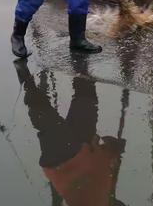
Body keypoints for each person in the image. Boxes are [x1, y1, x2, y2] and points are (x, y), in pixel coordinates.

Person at [13, 59, 127, 205]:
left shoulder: (101, 196)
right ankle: (79, 56)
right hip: (80, 151)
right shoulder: (105, 192)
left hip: (66, 161)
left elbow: (102, 159)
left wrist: (114, 149)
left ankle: (27, 81)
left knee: (46, 118)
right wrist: (113, 150)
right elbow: (103, 156)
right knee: (86, 98)